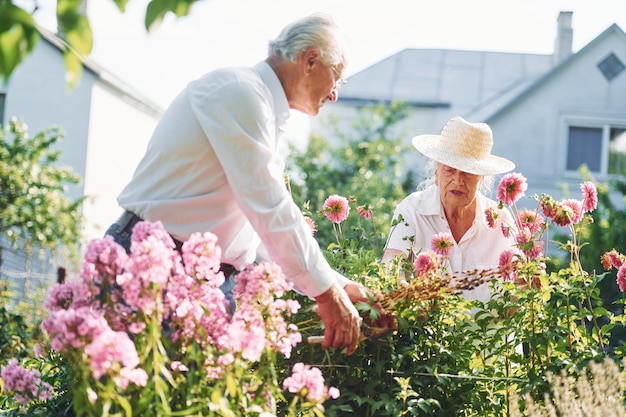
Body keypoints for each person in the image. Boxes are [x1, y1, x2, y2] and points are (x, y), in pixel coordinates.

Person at [104, 13, 394, 355]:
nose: (334, 95)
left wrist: (341, 287)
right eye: (338, 79)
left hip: (200, 278)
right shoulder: (239, 92)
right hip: (154, 267)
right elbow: (270, 207)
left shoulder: (259, 107)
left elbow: (259, 240)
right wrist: (327, 293)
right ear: (311, 60)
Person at [382, 116, 517, 304]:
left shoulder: (501, 219)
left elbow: (518, 287)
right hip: (426, 331)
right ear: (436, 172)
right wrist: (407, 298)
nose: (458, 180)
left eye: (468, 172)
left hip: (488, 333)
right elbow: (391, 267)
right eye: (449, 170)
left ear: (482, 179)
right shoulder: (412, 210)